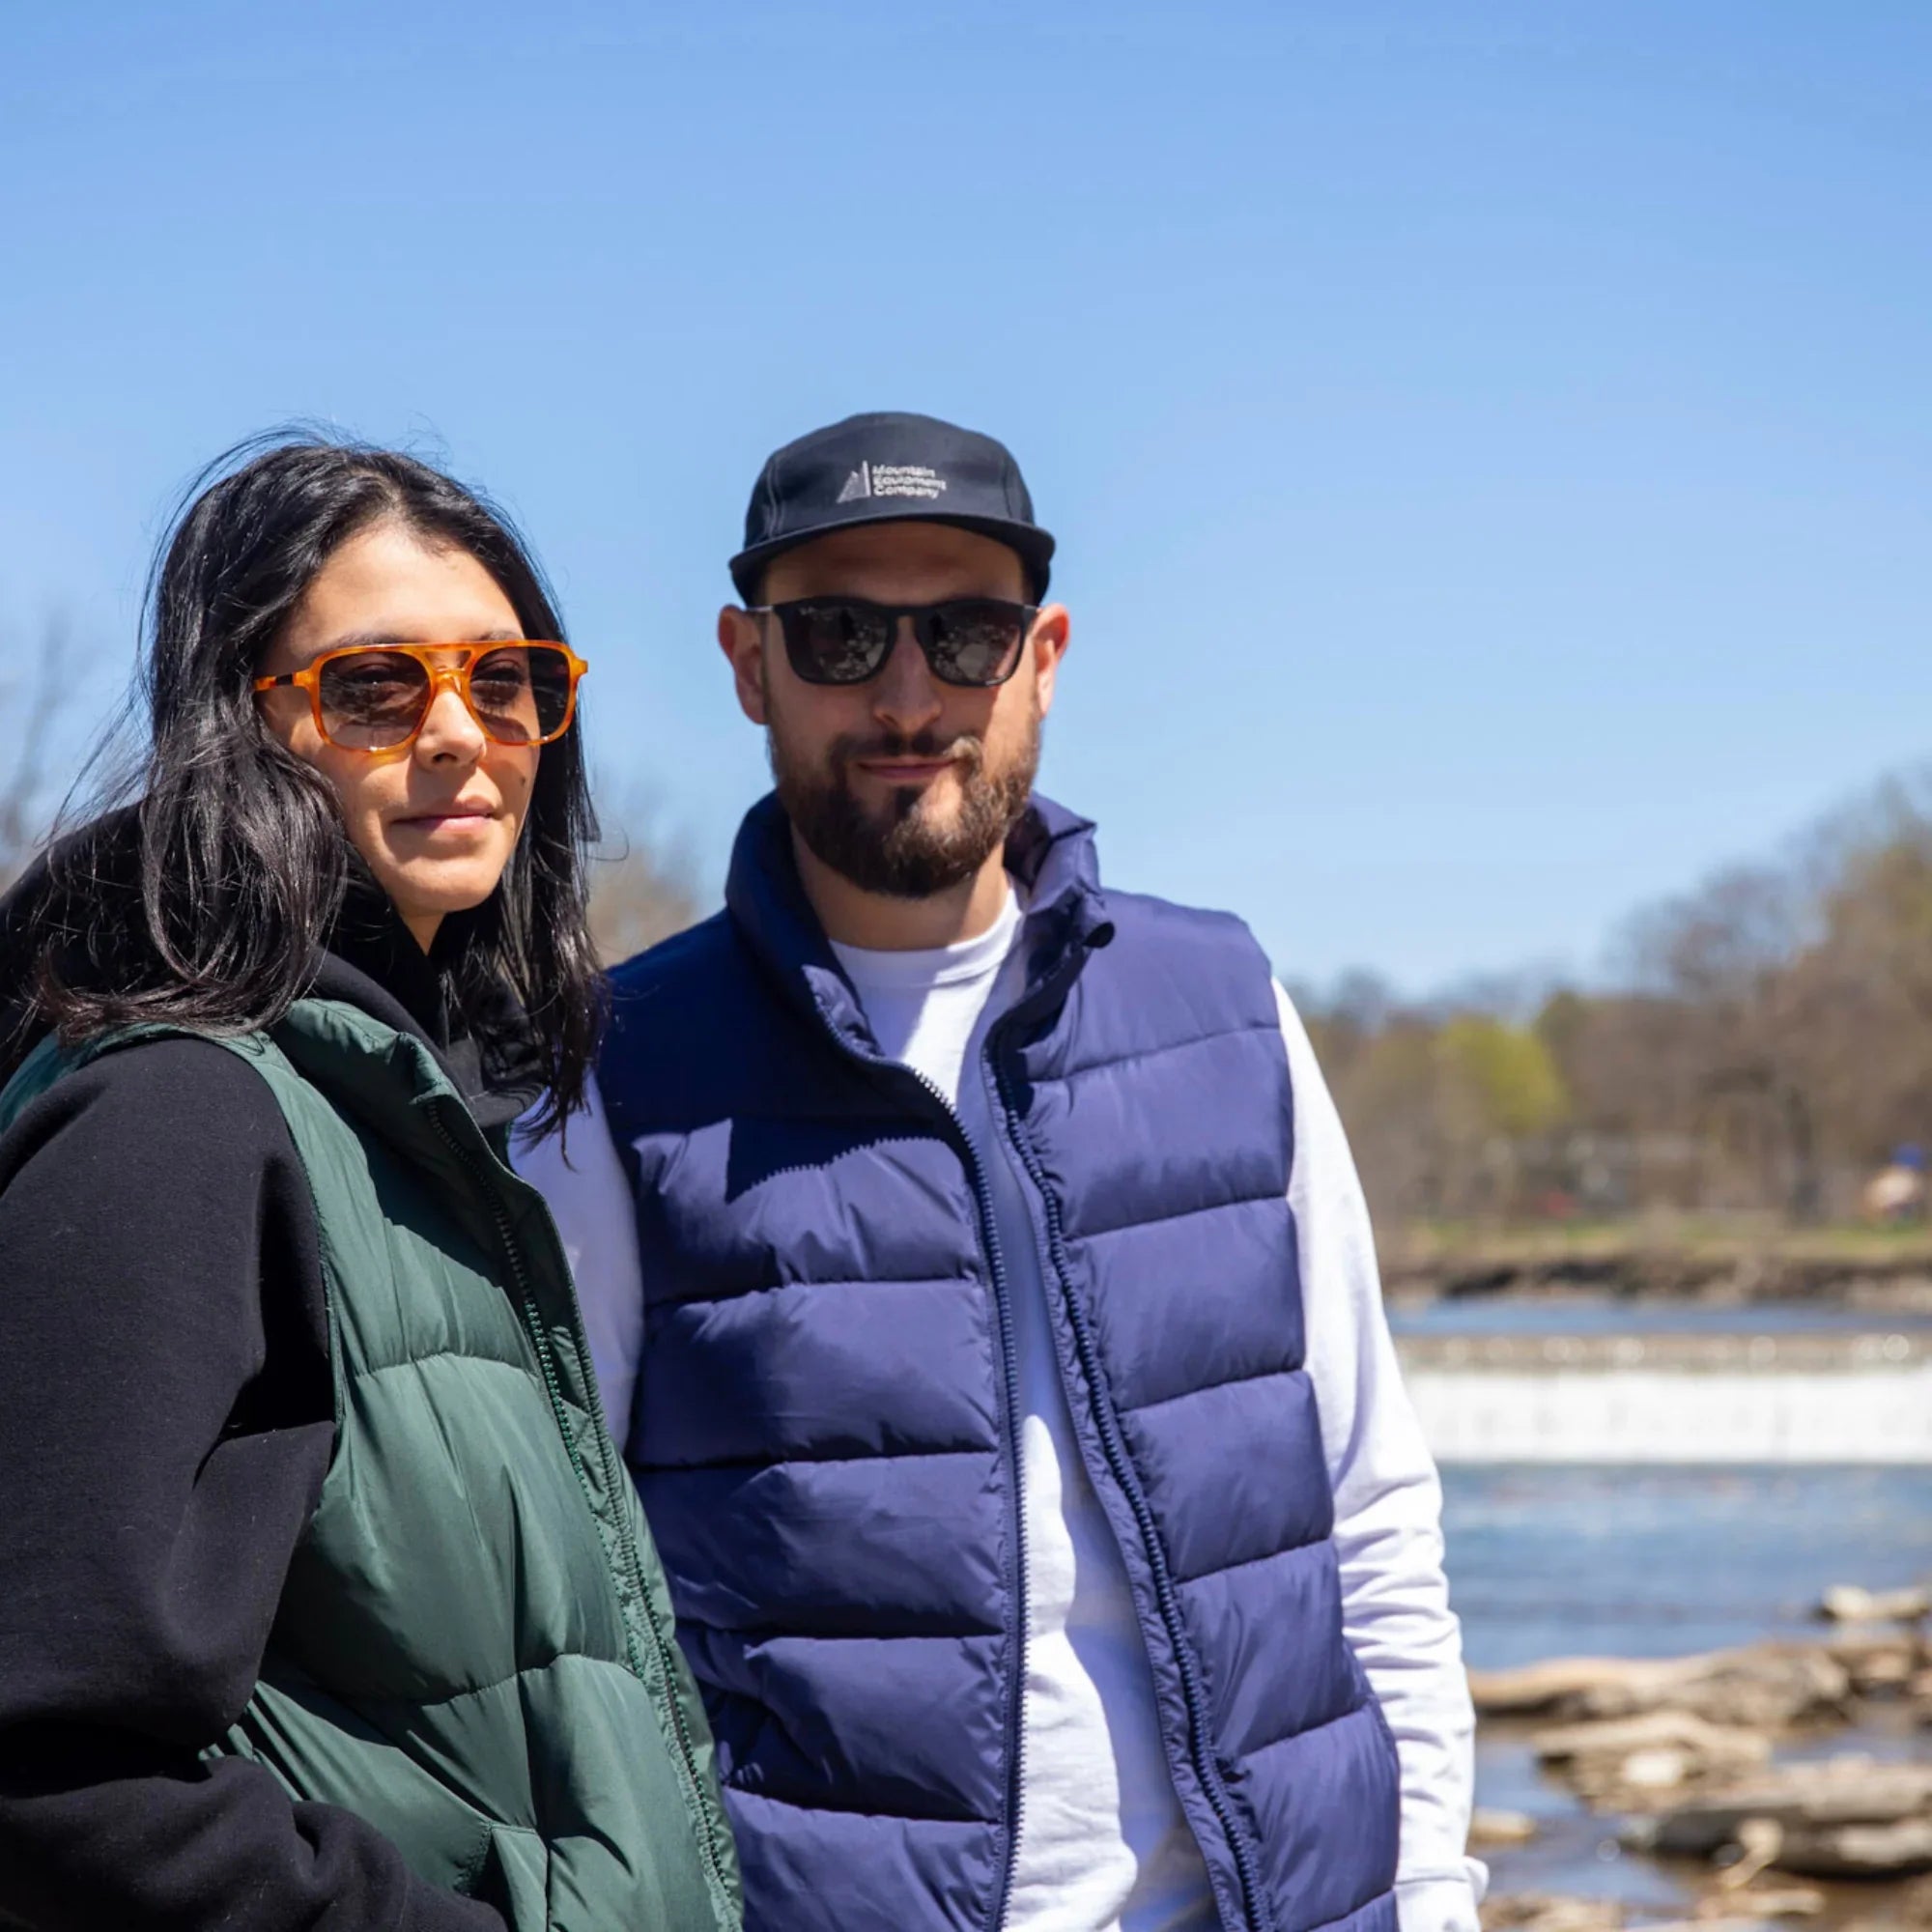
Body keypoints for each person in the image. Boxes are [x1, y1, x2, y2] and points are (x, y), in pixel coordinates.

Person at [519, 412, 1483, 1932]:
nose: (909, 695)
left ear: (1042, 657)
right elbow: (570, 1618)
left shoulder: (1225, 1011)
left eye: (964, 633)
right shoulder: (620, 1072)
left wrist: (1426, 1898)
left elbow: (1367, 1518)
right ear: (747, 660)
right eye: (839, 634)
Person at [0, 439, 741, 1930]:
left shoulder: (420, 1118)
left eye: (509, 679)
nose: (461, 735)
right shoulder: (176, 1120)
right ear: (243, 726)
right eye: (375, 687)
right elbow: (47, 1760)